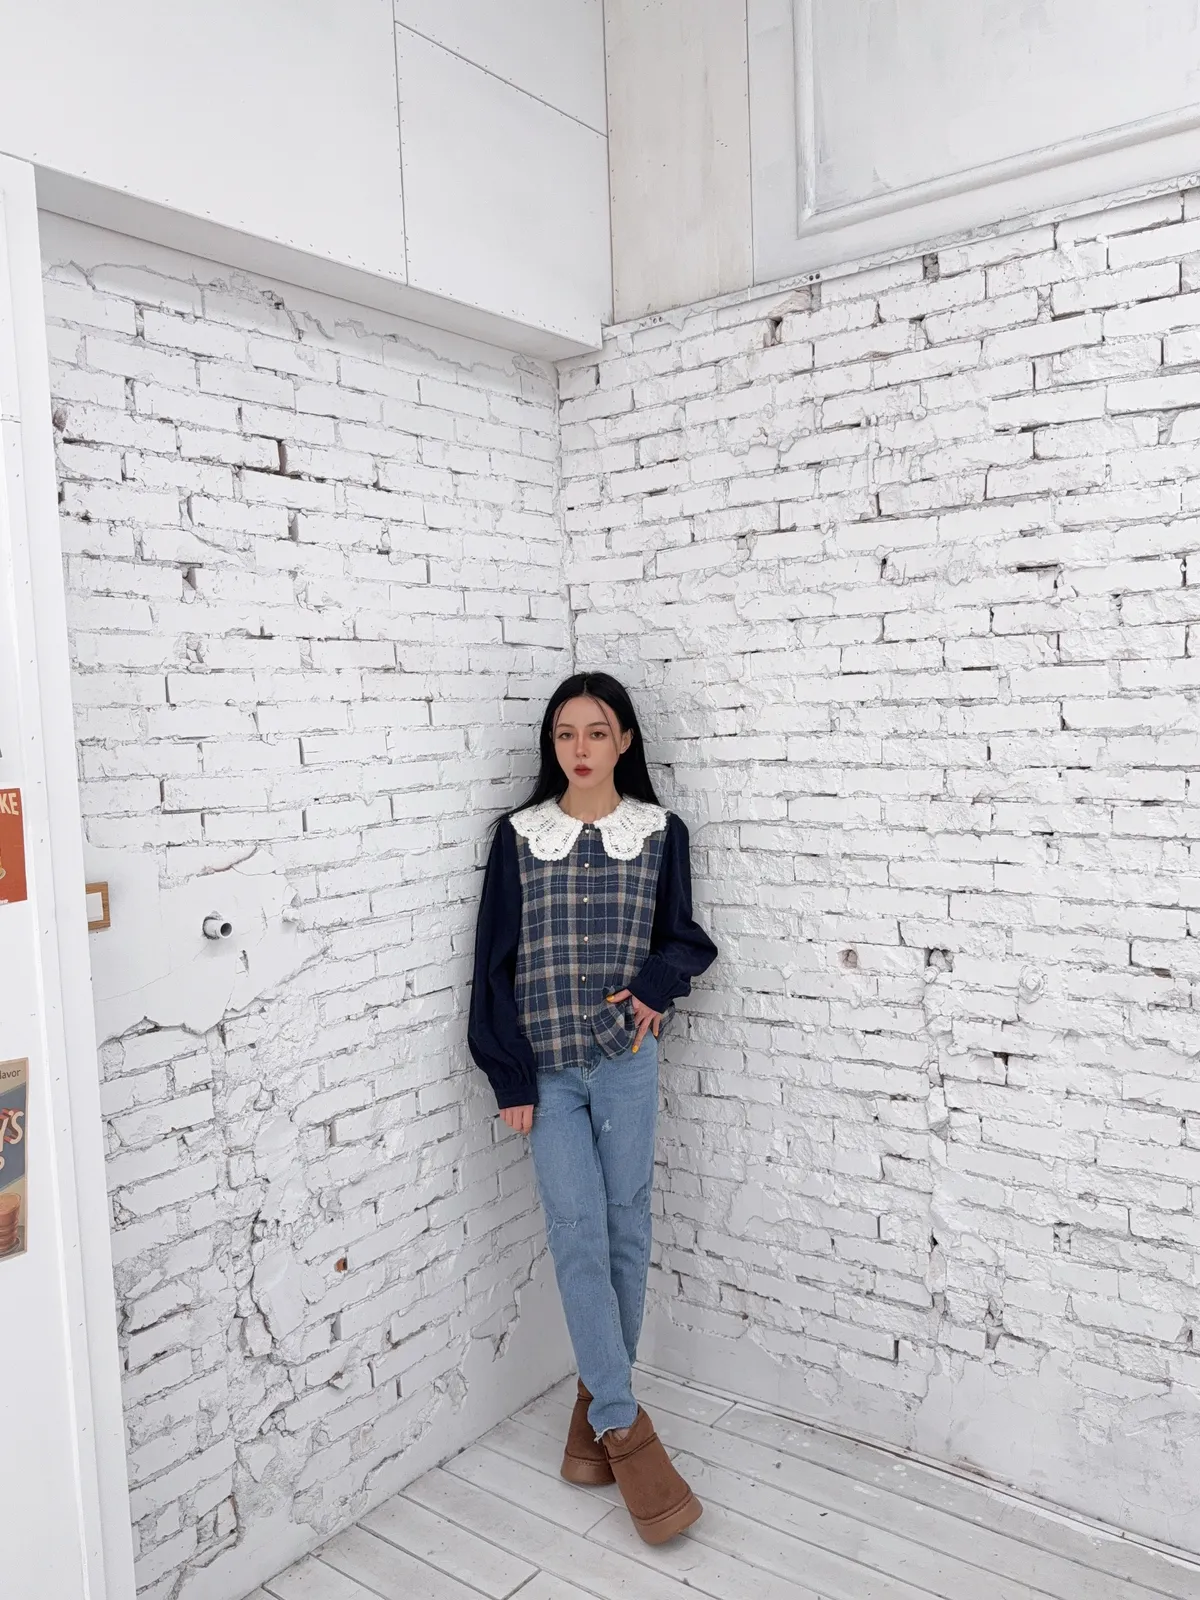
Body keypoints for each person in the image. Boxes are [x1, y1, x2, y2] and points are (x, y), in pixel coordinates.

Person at [467, 670, 718, 1544]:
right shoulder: (517, 838)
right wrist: (508, 1076)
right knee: (577, 1233)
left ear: (625, 742)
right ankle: (623, 1426)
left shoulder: (659, 832)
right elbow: (492, 963)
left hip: (625, 1064)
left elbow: (684, 939)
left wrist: (653, 988)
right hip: (545, 1071)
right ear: (552, 743)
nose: (580, 749)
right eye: (566, 733)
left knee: (625, 1228)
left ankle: (591, 1419)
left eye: (597, 732)